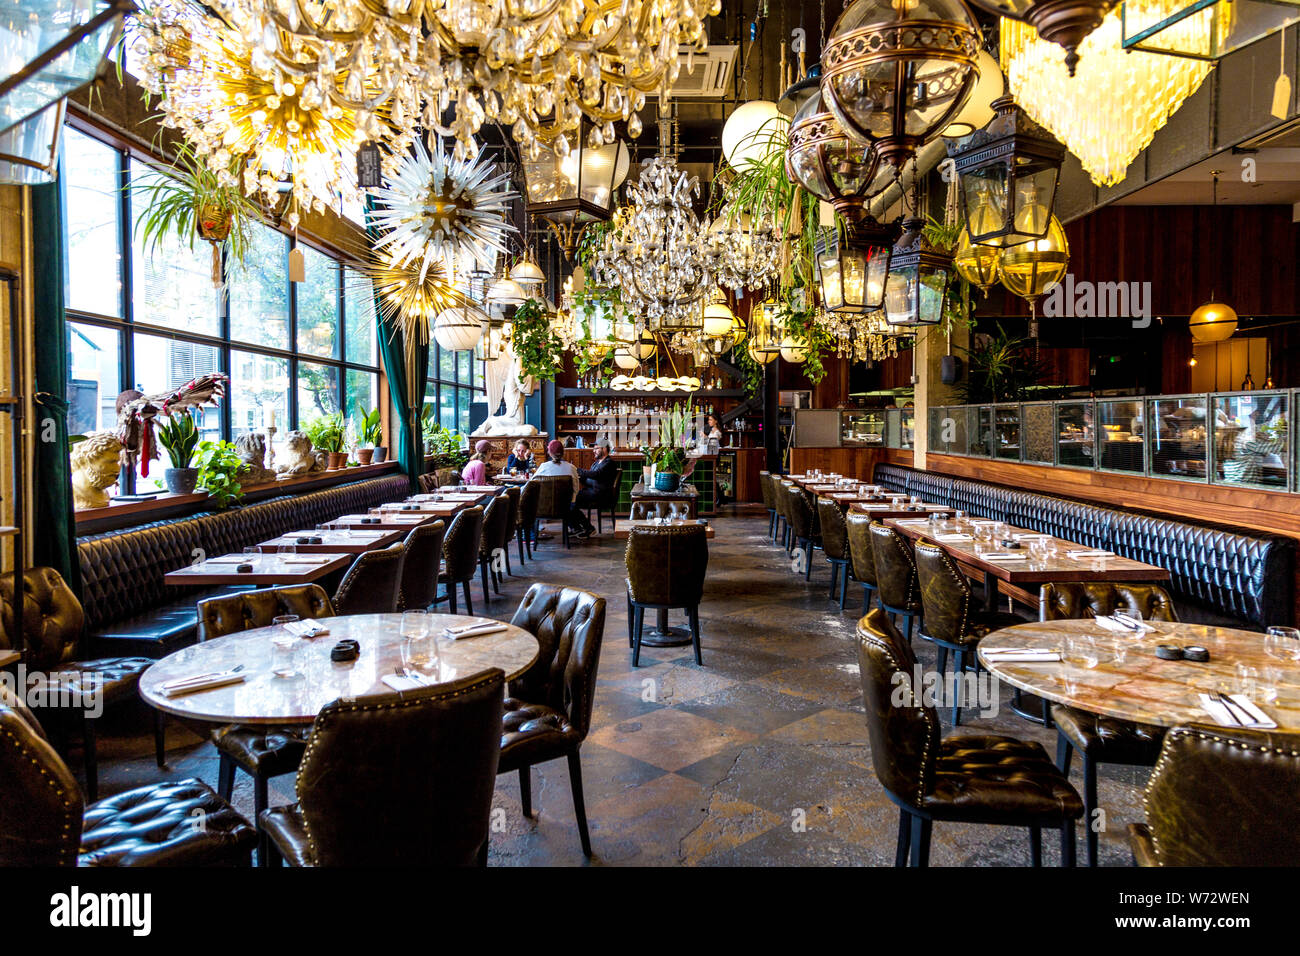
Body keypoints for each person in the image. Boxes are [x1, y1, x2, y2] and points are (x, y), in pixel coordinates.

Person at [533, 439, 589, 537]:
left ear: (549, 452)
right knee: (570, 503)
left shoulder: (543, 467)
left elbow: (532, 484)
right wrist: (572, 502)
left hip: (544, 509)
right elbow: (575, 488)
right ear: (563, 452)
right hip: (565, 508)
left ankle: (531, 534)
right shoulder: (571, 468)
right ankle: (579, 527)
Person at [573, 438, 617, 537]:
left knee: (571, 500)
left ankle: (586, 528)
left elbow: (596, 474)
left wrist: (578, 470)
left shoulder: (609, 463)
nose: (593, 451)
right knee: (570, 500)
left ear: (604, 449)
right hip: (593, 492)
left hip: (601, 495)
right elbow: (590, 481)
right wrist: (579, 477)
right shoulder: (596, 463)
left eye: (596, 448)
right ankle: (577, 527)